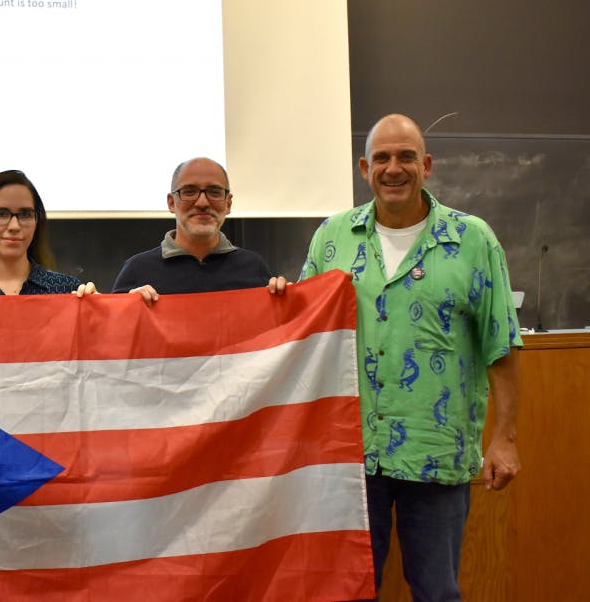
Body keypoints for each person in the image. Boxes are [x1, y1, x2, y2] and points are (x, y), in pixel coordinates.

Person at [299, 114, 521, 601]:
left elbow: (501, 344)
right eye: (382, 158)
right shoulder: (331, 238)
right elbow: (304, 332)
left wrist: (504, 439)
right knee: (349, 590)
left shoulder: (473, 240)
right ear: (364, 168)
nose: (393, 168)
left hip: (436, 452)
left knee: (437, 591)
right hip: (350, 455)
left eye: (405, 157)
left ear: (427, 165)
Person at [112, 157, 286, 300]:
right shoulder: (138, 270)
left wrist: (290, 303)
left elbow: (277, 337)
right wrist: (127, 308)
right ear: (172, 203)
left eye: (215, 192)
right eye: (189, 192)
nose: (202, 202)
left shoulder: (253, 267)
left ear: (228, 203)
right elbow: (113, 337)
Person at [0, 169, 95, 298]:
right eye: (1, 214)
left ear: (36, 221)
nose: (14, 226)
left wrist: (97, 312)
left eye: (25, 214)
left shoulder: (67, 291)